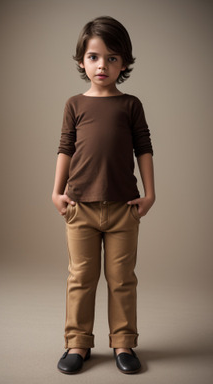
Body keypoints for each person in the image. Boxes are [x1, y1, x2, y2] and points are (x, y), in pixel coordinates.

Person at [52, 16, 155, 375]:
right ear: (82, 60)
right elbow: (65, 148)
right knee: (81, 277)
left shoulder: (131, 105)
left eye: (112, 58)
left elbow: (144, 148)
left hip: (124, 208)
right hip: (80, 206)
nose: (102, 65)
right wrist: (56, 191)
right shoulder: (74, 105)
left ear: (124, 63)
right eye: (94, 57)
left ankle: (123, 342)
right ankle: (77, 343)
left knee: (122, 278)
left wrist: (150, 193)